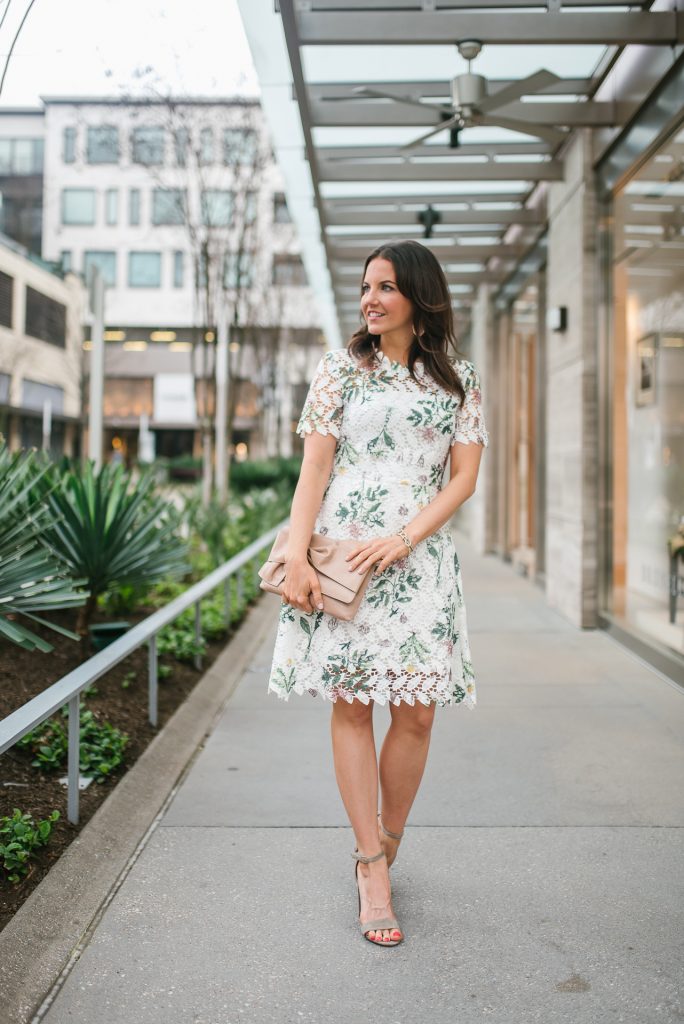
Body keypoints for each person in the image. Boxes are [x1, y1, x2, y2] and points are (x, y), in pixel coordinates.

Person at [266, 238, 489, 947]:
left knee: (418, 715)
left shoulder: (460, 381)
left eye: (385, 286)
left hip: (417, 565)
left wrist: (406, 538)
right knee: (355, 705)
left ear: (419, 296)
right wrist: (296, 555)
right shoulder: (340, 371)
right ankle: (370, 865)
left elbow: (463, 478)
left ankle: (387, 839)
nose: (370, 298)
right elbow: (314, 469)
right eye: (366, 286)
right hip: (343, 562)